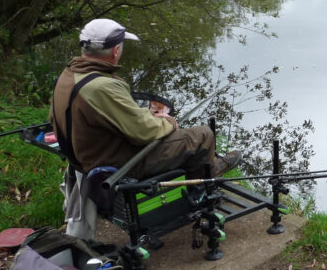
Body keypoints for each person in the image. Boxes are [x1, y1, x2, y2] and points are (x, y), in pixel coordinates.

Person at [49, 18, 241, 181]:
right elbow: (144, 132)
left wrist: (145, 115)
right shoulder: (102, 87)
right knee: (202, 135)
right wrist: (168, 123)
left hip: (83, 156)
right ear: (115, 50)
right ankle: (204, 185)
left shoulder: (68, 75)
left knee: (174, 133)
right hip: (115, 164)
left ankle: (197, 177)